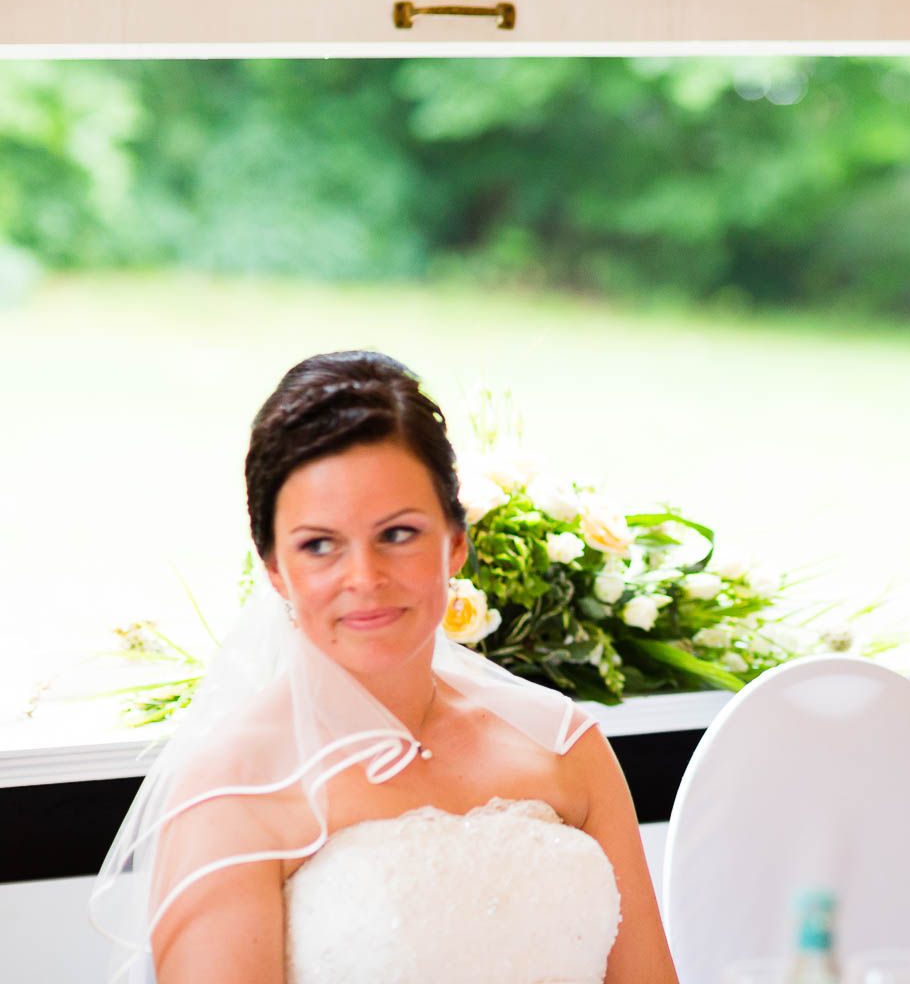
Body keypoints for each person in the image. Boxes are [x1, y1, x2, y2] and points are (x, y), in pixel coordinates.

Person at [91, 350, 679, 984]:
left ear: (457, 544)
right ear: (274, 571)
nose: (365, 578)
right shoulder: (232, 791)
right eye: (319, 545)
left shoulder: (565, 746)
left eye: (397, 534)